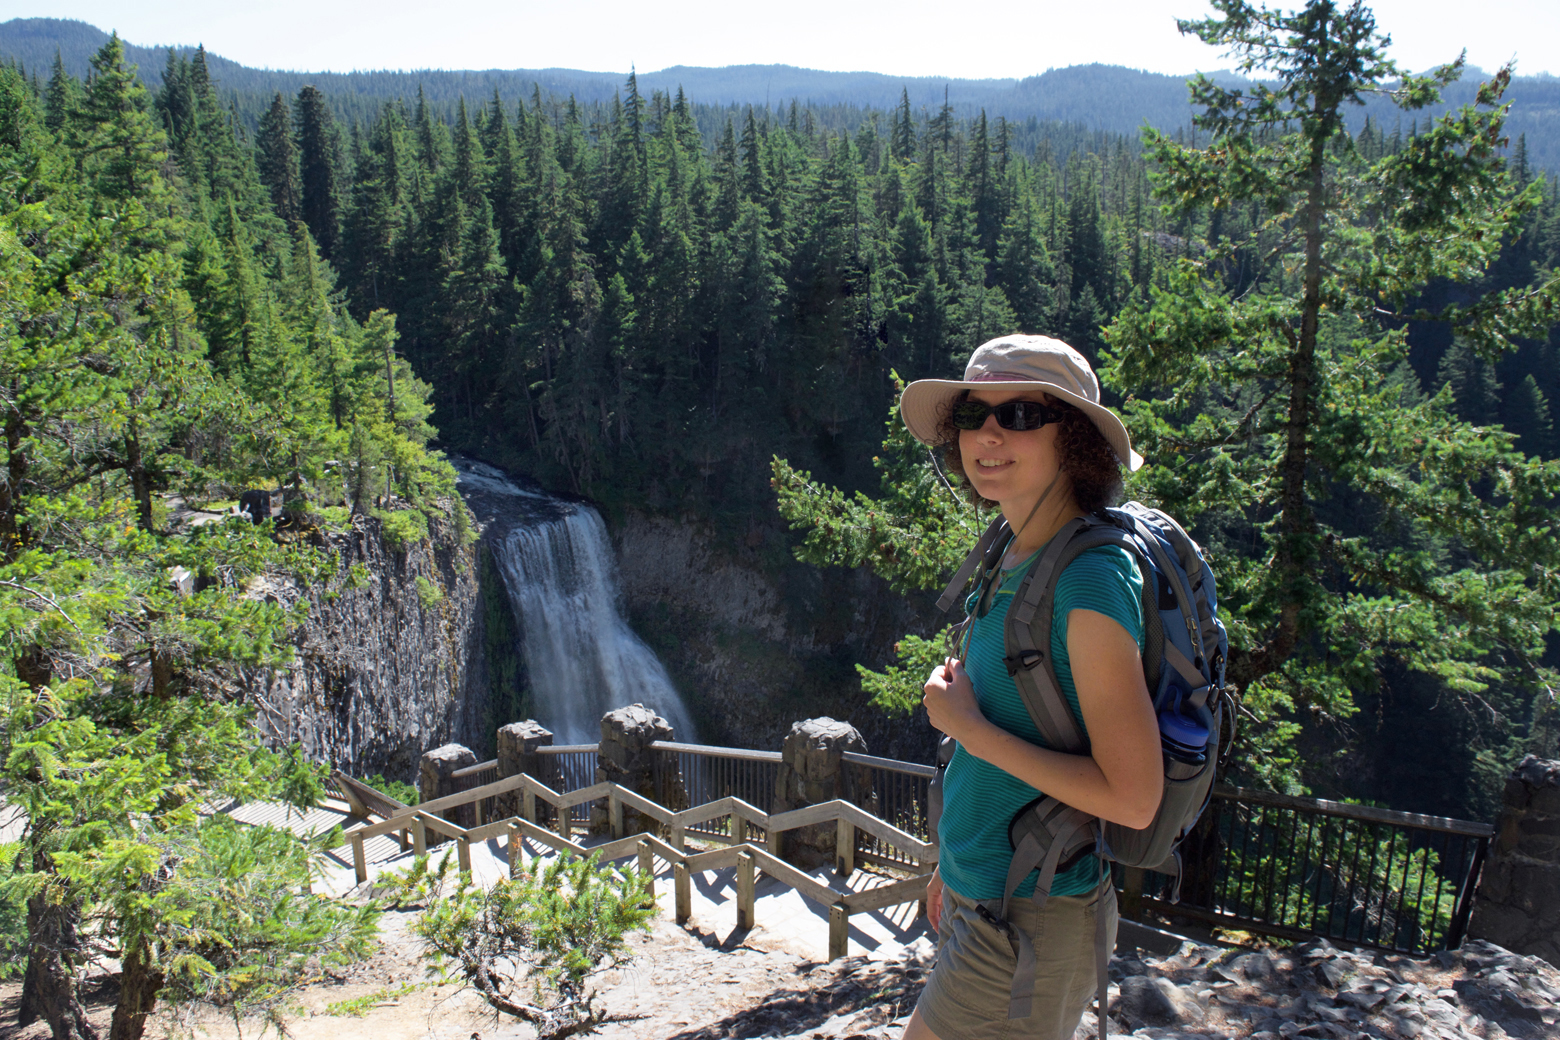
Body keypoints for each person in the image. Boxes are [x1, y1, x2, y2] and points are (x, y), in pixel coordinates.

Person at [896, 334, 1162, 1040]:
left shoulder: (1089, 580)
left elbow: (1134, 798)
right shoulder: (1013, 552)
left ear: (1073, 439)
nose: (987, 434)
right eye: (972, 414)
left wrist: (968, 727)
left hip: (1031, 921)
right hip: (989, 901)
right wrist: (952, 865)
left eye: (1019, 415)